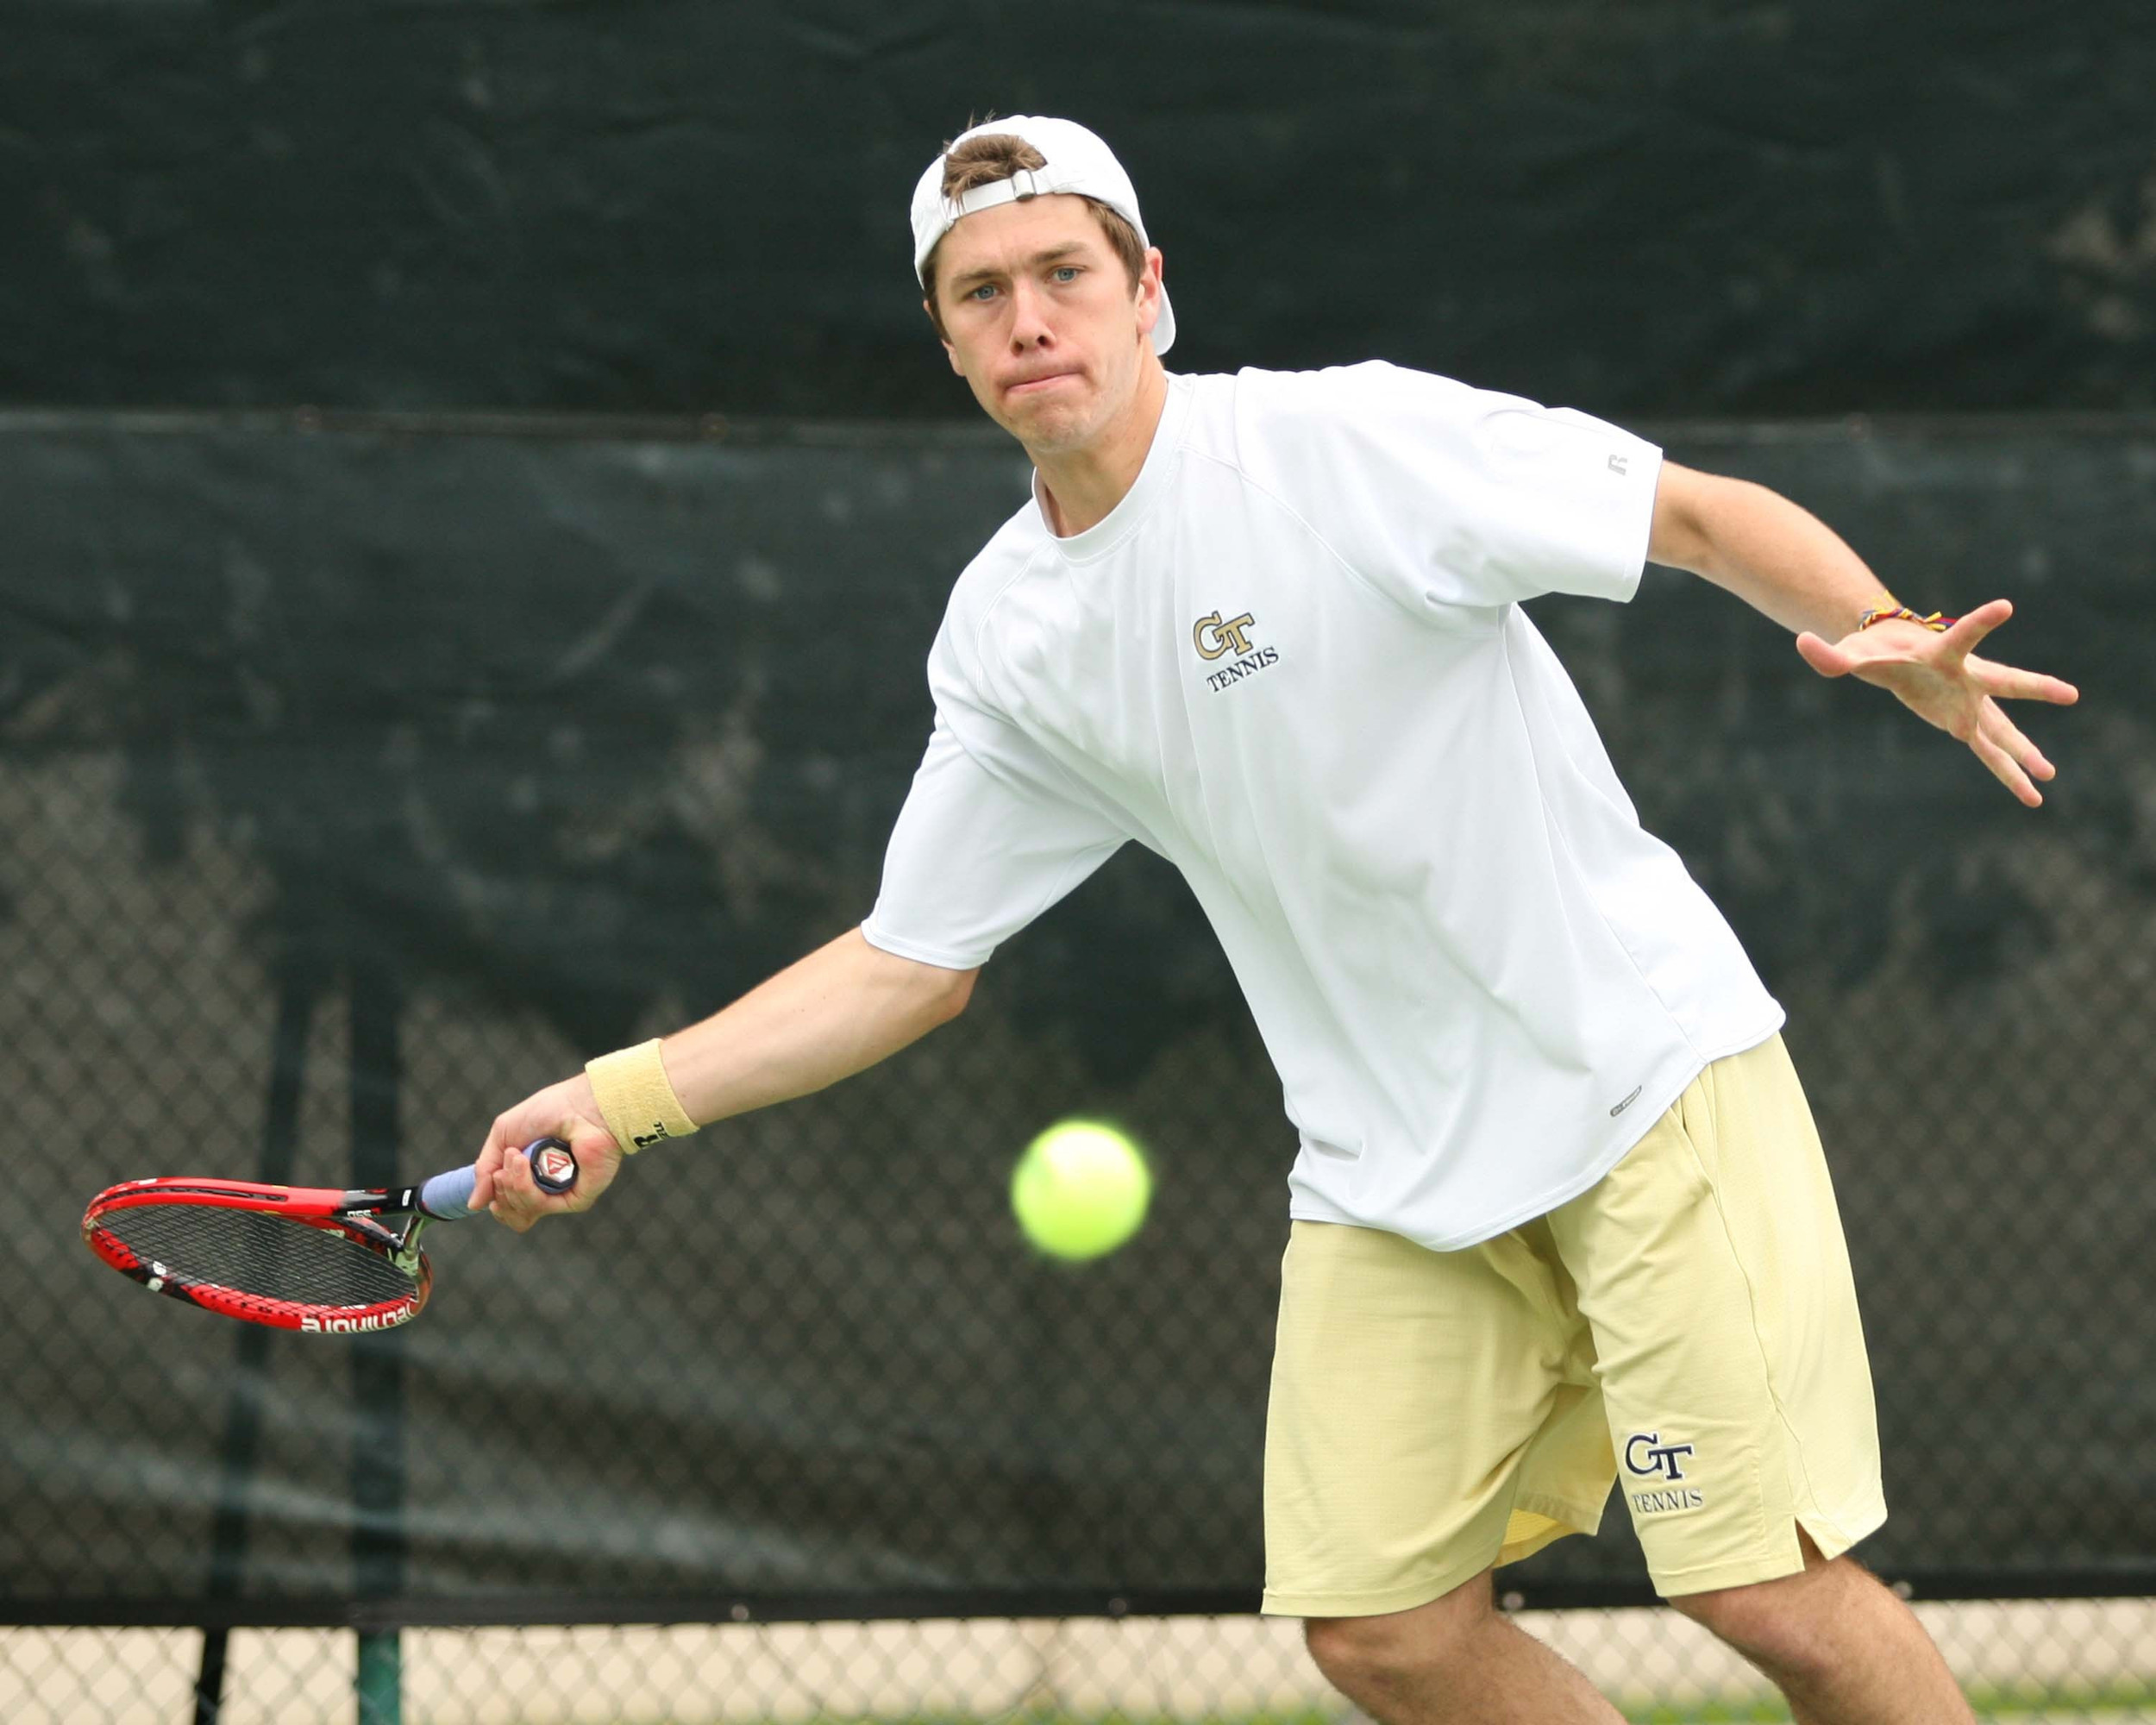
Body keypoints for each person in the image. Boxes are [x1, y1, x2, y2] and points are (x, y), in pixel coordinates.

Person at [472, 116, 2078, 1722]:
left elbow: (1696, 517)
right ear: (947, 341)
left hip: (1640, 1086)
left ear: (1147, 290)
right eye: (982, 294)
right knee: (1382, 1630)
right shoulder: (1010, 635)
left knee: (1763, 1588)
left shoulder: (1344, 445)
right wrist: (619, 1100)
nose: (1029, 320)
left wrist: (1884, 627)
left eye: (1064, 274)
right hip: (1391, 1174)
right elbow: (908, 962)